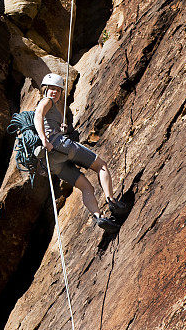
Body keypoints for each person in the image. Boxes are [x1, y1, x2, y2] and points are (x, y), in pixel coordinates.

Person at [34, 73, 128, 231]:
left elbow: (46, 121)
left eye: (58, 90)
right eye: (51, 89)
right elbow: (38, 116)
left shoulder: (54, 108)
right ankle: (112, 201)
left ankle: (98, 217)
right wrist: (44, 138)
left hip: (51, 161)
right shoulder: (46, 101)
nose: (54, 92)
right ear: (45, 90)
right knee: (101, 165)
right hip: (60, 146)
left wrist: (59, 129)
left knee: (86, 187)